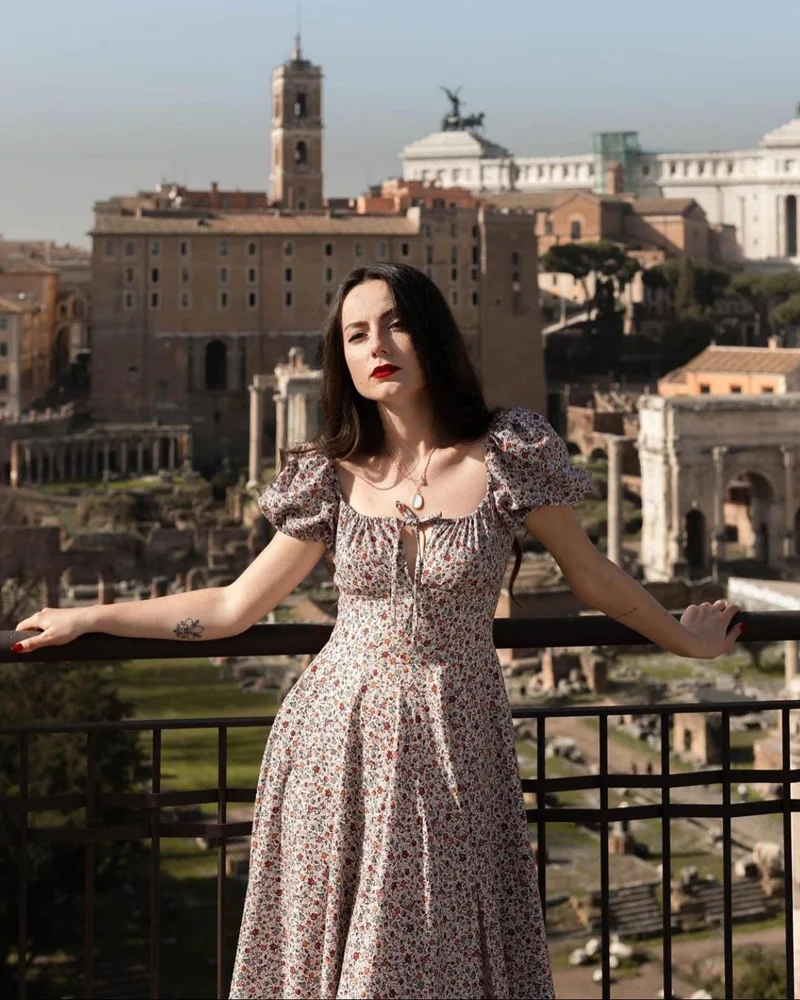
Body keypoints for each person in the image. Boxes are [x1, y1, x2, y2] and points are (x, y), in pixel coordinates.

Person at [12, 263, 746, 1000]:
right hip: (335, 749)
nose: (377, 346)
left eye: (395, 325)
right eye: (356, 334)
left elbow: (591, 577)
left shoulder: (508, 453)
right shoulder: (328, 476)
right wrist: (91, 617)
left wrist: (688, 639)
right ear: (343, 359)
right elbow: (234, 607)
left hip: (458, 743)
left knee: (437, 959)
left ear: (432, 335)